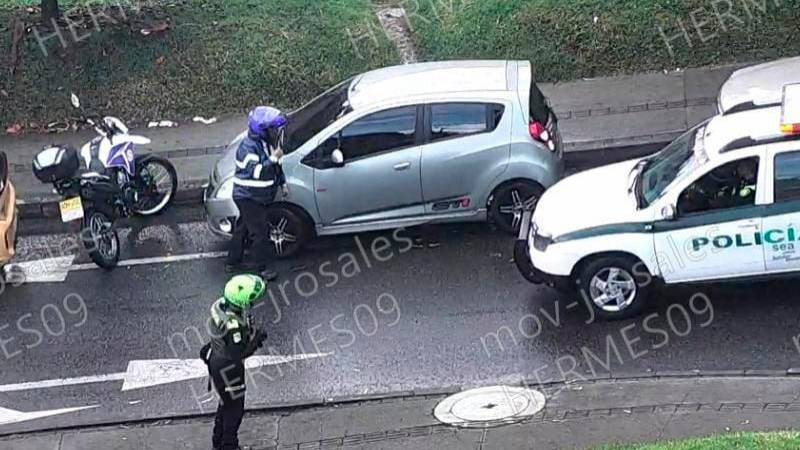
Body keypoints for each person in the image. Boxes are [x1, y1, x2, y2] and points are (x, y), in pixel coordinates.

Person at [201, 275, 268, 450]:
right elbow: (238, 353)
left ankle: (218, 441)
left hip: (216, 362)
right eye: (250, 301)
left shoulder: (221, 305)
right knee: (234, 410)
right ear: (241, 301)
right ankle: (229, 445)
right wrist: (256, 340)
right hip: (229, 370)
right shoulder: (234, 326)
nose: (252, 305)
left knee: (225, 403)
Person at [226, 106, 288, 280]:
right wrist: (273, 158)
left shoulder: (264, 143)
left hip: (254, 196)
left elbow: (276, 167)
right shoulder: (248, 148)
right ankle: (263, 268)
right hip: (249, 198)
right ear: (263, 131)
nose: (276, 132)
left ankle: (232, 261)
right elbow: (258, 172)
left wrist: (282, 183)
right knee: (260, 233)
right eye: (273, 129)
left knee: (243, 228)